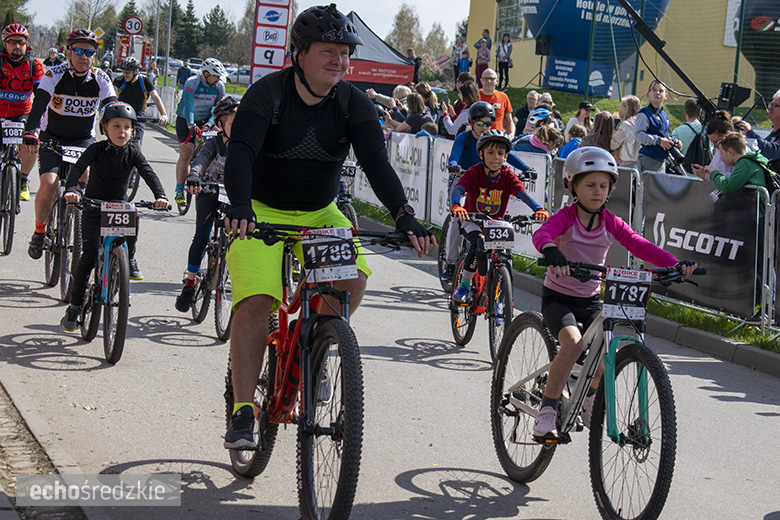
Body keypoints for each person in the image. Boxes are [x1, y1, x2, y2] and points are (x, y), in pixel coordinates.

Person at [221, 4, 434, 449]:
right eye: (328, 51)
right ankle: (244, 411)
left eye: (345, 52)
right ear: (299, 53)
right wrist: (240, 205)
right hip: (260, 210)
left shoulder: (353, 102)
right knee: (257, 301)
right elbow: (240, 151)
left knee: (351, 280)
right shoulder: (268, 94)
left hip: (320, 212)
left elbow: (375, 161)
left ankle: (314, 352)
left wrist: (402, 213)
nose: (339, 60)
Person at [531, 146, 696, 441]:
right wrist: (552, 250)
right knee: (573, 345)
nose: (598, 192)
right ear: (572, 186)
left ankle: (590, 397)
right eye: (590, 185)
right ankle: (547, 410)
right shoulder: (566, 217)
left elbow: (638, 243)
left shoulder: (610, 221)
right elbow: (542, 233)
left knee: (611, 352)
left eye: (604, 186)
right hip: (559, 298)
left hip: (592, 300)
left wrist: (674, 263)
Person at [59, 101, 168, 331]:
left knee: (133, 213)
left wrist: (161, 195)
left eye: (127, 127)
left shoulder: (134, 152)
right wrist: (71, 190)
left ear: (133, 130)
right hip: (93, 206)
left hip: (118, 207)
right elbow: (78, 169)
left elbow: (148, 173)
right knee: (88, 257)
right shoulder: (96, 149)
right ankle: (74, 306)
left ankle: (130, 258)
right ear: (104, 128)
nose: (122, 131)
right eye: (116, 126)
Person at [23, 29, 117, 264]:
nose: (83, 56)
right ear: (68, 52)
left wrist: (119, 133)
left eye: (89, 52)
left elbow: (111, 105)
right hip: (52, 137)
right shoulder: (54, 74)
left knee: (84, 178)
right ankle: (40, 230)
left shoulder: (101, 78)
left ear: (94, 56)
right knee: (48, 182)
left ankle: (73, 221)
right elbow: (40, 104)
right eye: (78, 51)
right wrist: (30, 131)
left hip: (82, 139)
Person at [450, 130, 548, 302]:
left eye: (500, 153)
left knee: (504, 253)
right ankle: (464, 285)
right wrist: (457, 205)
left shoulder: (507, 175)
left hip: (495, 224)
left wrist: (538, 208)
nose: (495, 157)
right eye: (490, 152)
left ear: (506, 157)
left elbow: (522, 193)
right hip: (472, 221)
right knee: (478, 242)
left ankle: (496, 295)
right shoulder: (475, 172)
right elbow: (458, 189)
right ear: (481, 154)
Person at [692, 131, 771, 319]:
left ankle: (762, 307)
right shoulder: (752, 160)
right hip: (755, 217)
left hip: (757, 217)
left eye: (721, 153)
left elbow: (728, 185)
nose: (719, 157)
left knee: (759, 263)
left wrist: (714, 172)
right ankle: (755, 304)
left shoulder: (744, 163)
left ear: (730, 151)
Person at [175, 97, 237, 312]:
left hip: (233, 195)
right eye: (233, 123)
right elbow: (200, 161)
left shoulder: (245, 146)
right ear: (220, 125)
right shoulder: (213, 143)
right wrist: (193, 175)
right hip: (208, 190)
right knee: (201, 236)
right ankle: (190, 283)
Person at [0, 24, 44, 202]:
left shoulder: (35, 65)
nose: (16, 46)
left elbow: (41, 95)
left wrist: (35, 125)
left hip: (23, 113)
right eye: (11, 42)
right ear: (5, 44)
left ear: (26, 44)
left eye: (20, 42)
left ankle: (23, 180)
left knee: (31, 145)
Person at [173, 57, 226, 206]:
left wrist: (209, 125)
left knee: (218, 141)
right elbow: (189, 106)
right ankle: (179, 190)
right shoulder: (192, 82)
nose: (218, 79)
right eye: (216, 76)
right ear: (207, 74)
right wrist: (191, 124)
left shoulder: (219, 86)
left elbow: (217, 111)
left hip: (205, 120)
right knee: (186, 153)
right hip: (185, 119)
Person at [113, 56, 168, 145]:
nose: (125, 74)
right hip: (122, 114)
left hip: (138, 115)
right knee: (114, 140)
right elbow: (112, 94)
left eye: (128, 72)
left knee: (137, 143)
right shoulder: (119, 81)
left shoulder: (145, 81)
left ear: (136, 71)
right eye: (123, 72)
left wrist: (164, 114)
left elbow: (155, 97)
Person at [634, 80, 681, 173]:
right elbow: (638, 135)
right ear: (648, 95)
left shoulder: (665, 115)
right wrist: (659, 141)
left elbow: (663, 136)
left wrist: (672, 142)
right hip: (648, 159)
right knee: (647, 187)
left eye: (661, 91)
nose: (657, 93)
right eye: (654, 90)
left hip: (661, 161)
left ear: (666, 96)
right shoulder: (644, 113)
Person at [736, 88, 780, 166]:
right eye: (771, 104)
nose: (770, 108)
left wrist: (750, 133)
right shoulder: (774, 133)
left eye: (775, 105)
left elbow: (772, 153)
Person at [479, 68, 514, 137]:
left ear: (496, 81)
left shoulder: (503, 97)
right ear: (481, 80)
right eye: (486, 78)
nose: (489, 81)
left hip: (498, 137)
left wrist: (511, 134)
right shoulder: (475, 96)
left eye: (492, 79)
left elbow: (509, 121)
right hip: (480, 137)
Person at [610, 95, 641, 168]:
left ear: (626, 108)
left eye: (620, 107)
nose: (619, 110)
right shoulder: (640, 123)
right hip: (639, 163)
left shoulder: (626, 125)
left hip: (626, 164)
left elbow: (613, 144)